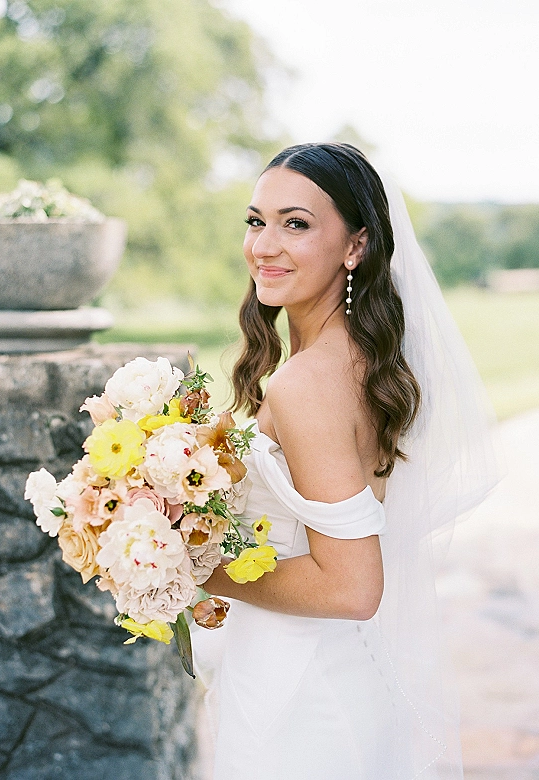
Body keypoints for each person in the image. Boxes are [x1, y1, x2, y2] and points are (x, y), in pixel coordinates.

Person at [197, 142, 500, 780]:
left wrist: (194, 570)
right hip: (334, 671)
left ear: (355, 246)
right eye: (256, 220)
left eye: (296, 224)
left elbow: (352, 587)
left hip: (303, 697)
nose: (264, 245)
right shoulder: (367, 362)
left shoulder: (305, 384)